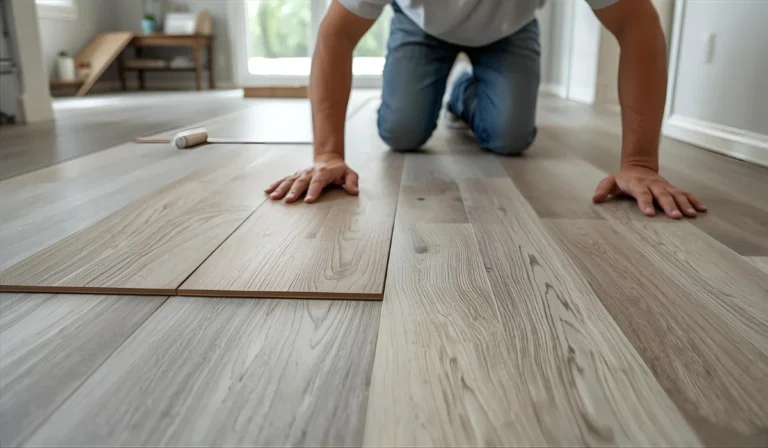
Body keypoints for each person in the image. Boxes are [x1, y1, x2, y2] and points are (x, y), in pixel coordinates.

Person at [265, 0, 707, 219]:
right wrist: (327, 154)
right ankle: (454, 90)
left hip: (508, 31)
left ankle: (463, 95)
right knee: (401, 132)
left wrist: (640, 163)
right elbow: (335, 35)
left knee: (509, 138)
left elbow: (637, 24)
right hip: (420, 25)